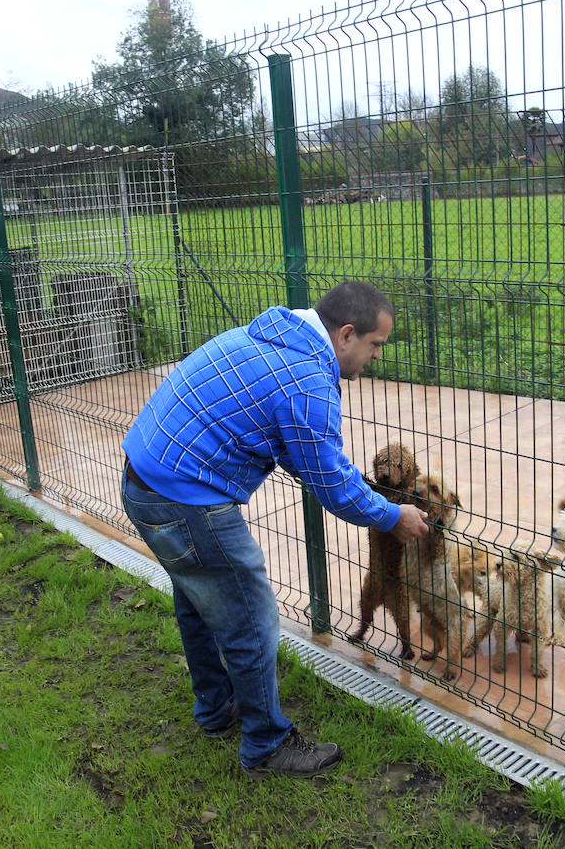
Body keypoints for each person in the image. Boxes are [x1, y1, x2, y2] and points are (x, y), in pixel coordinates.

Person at [121, 281, 429, 778]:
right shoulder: (308, 380)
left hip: (143, 480)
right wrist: (394, 515)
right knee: (250, 615)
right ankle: (266, 746)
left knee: (199, 601)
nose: (375, 358)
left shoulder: (271, 336)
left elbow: (292, 444)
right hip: (183, 499)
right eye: (375, 346)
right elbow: (334, 486)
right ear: (347, 334)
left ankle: (217, 710)